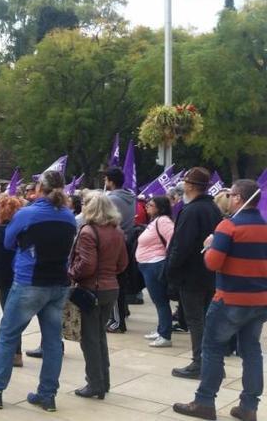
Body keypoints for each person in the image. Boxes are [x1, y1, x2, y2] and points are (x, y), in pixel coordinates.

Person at [0, 170, 77, 412]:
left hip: (29, 281)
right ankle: (47, 395)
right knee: (53, 342)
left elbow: (9, 241)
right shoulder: (68, 216)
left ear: (40, 188)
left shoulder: (28, 213)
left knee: (8, 336)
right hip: (58, 284)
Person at [172, 179, 267, 421]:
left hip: (229, 299)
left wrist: (209, 245)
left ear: (238, 198)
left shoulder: (229, 226)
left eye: (230, 194)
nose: (228, 197)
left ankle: (205, 402)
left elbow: (213, 263)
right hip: (258, 301)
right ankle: (249, 407)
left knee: (212, 348)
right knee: (252, 351)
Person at [68, 192, 129, 399]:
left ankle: (95, 383)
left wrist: (71, 273)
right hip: (111, 287)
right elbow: (123, 264)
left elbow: (87, 264)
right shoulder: (117, 231)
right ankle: (103, 381)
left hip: (91, 289)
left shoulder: (88, 231)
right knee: (99, 336)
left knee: (90, 339)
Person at [166, 167, 223, 380]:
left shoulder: (192, 211)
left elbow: (181, 245)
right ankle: (212, 362)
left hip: (192, 275)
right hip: (209, 272)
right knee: (206, 320)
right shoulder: (213, 209)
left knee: (195, 320)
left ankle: (200, 362)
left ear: (190, 186)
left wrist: (171, 270)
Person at [0, 195, 25, 367]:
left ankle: (14, 353)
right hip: (20, 275)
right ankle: (16, 351)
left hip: (3, 276)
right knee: (14, 314)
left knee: (9, 315)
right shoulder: (22, 229)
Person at [136, 195, 176, 348]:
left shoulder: (163, 221)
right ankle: (161, 330)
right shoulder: (155, 220)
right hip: (148, 264)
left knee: (160, 301)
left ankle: (165, 335)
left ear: (160, 207)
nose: (147, 207)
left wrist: (164, 257)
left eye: (151, 205)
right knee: (158, 301)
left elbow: (172, 239)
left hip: (155, 264)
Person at [104, 166, 137, 334]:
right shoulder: (132, 197)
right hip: (127, 241)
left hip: (114, 242)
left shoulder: (110, 199)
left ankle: (117, 321)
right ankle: (121, 313)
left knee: (113, 281)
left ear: (110, 181)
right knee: (120, 280)